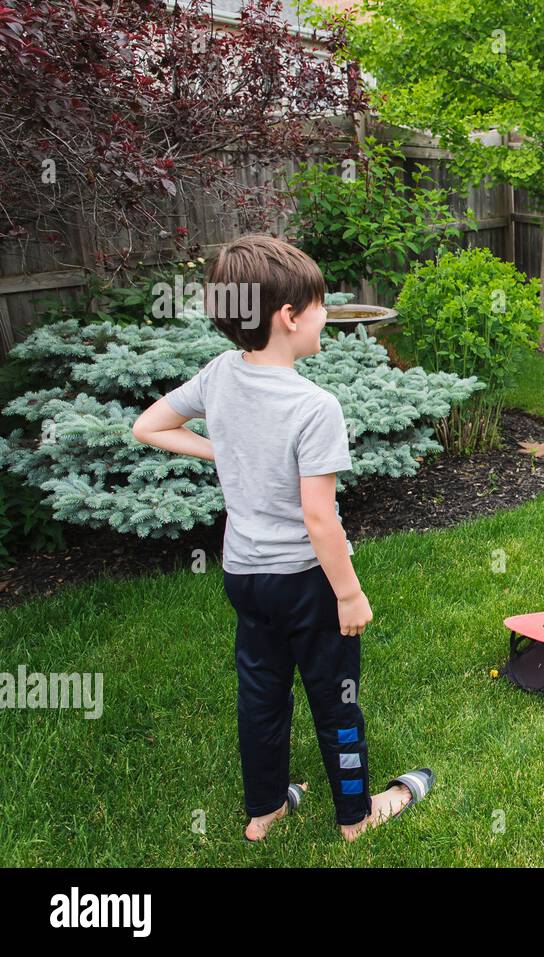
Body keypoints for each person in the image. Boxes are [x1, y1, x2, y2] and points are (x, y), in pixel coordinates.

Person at [132, 234, 432, 843]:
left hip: (245, 578)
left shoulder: (219, 375)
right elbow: (320, 520)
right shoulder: (314, 406)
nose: (327, 313)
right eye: (321, 304)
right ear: (289, 317)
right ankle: (356, 815)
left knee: (262, 695)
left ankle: (264, 809)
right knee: (336, 699)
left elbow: (149, 426)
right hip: (307, 584)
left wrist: (220, 450)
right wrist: (348, 594)